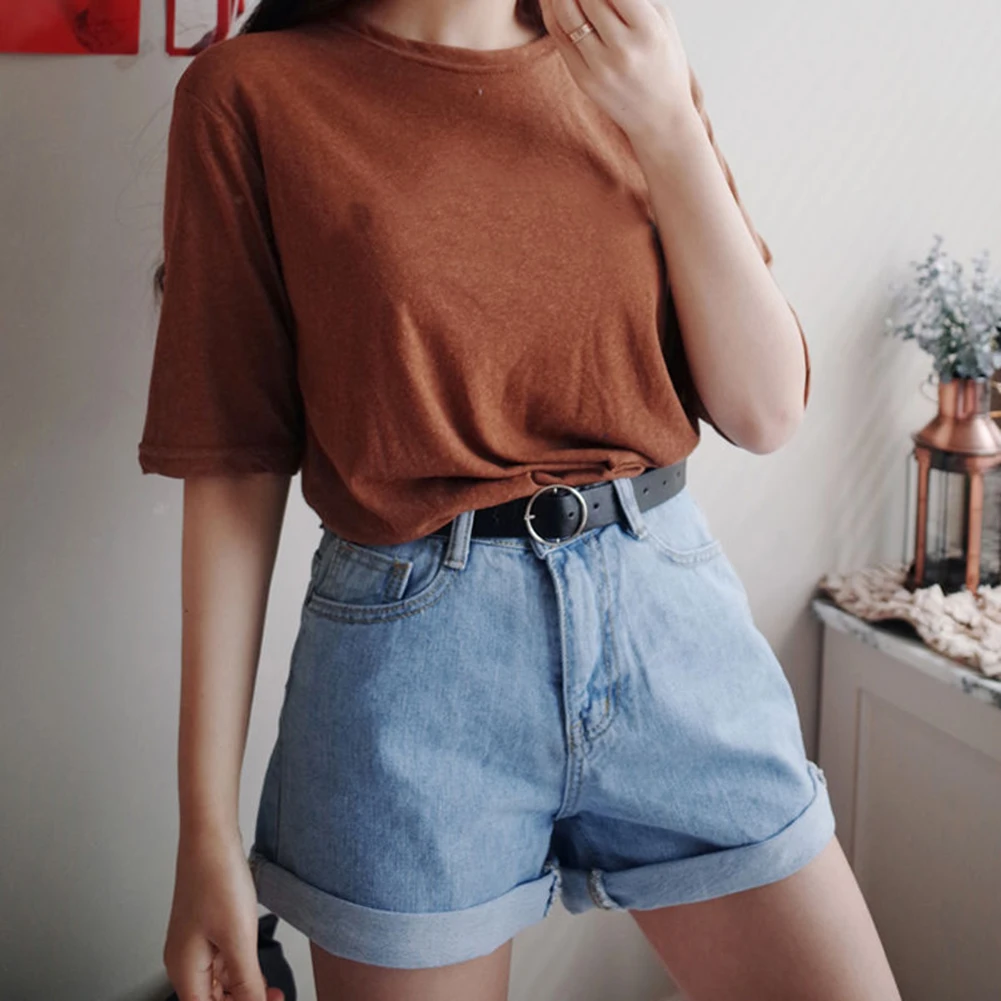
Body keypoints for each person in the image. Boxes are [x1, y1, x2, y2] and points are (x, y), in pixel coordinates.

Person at [138, 0, 903, 999]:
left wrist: (668, 124)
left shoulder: (631, 54)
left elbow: (763, 409)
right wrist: (204, 831)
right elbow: (234, 465)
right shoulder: (249, 95)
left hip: (670, 628)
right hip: (409, 677)